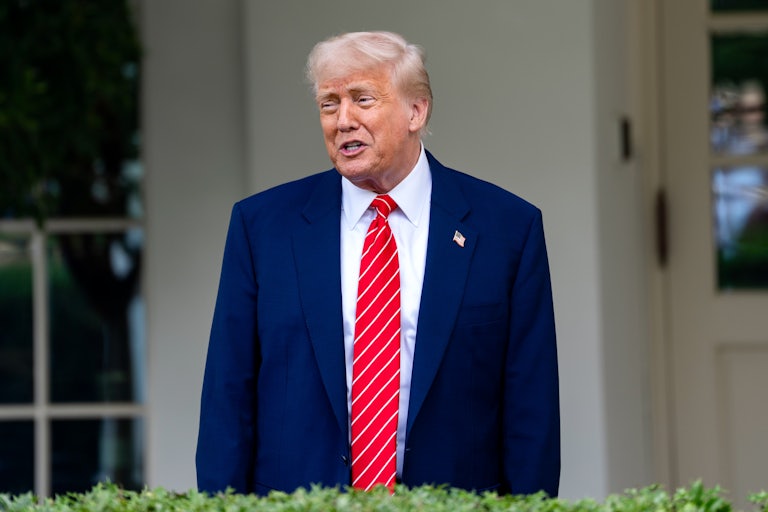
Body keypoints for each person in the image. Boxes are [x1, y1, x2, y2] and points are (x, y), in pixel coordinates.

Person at [196, 30, 559, 497]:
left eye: (362, 99)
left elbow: (532, 410)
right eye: (329, 105)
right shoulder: (263, 227)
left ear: (416, 111)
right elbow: (227, 398)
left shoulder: (507, 229)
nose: (343, 120)